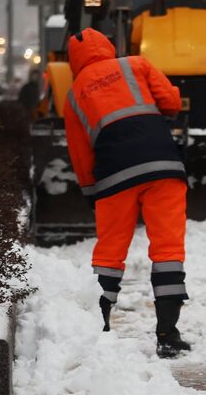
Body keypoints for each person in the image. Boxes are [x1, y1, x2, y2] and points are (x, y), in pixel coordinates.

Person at [63, 28, 192, 358]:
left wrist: (92, 191)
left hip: (113, 173)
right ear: (108, 46)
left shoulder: (74, 94)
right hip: (163, 164)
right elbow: (172, 103)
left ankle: (98, 328)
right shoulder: (136, 64)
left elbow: (80, 152)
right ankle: (168, 334)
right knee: (168, 248)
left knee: (109, 252)